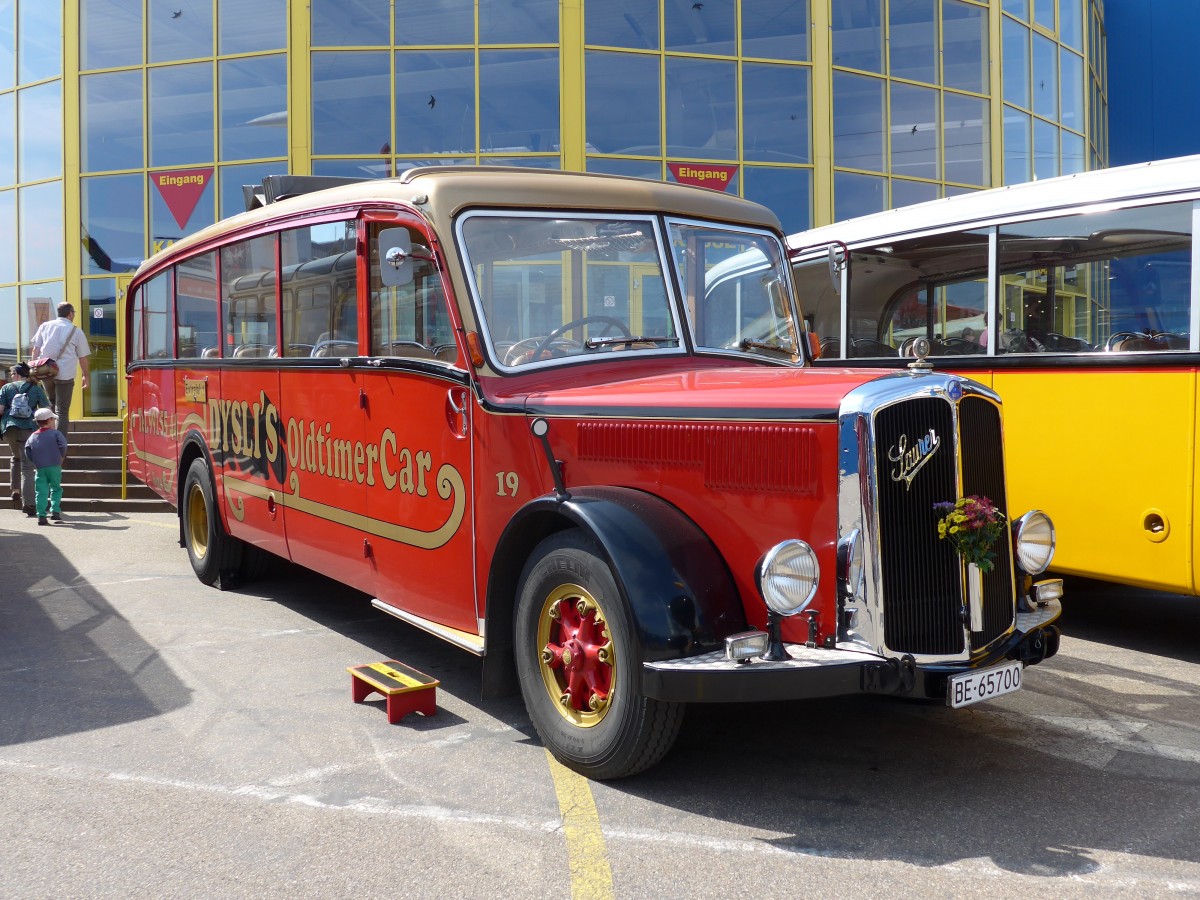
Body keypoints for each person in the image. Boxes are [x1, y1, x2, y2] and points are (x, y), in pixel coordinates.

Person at [30, 301, 92, 436]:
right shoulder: (76, 331)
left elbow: (36, 349)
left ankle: (48, 438)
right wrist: (86, 376)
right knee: (62, 411)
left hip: (46, 372)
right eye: (73, 313)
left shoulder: (44, 326)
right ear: (70, 314)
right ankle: (59, 445)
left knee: (50, 407)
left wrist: (33, 369)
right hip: (65, 375)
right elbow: (82, 357)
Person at [0, 362, 50, 516]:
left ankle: (15, 490)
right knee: (27, 467)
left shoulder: (6, 388)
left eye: (12, 373)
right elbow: (46, 409)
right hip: (28, 429)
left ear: (17, 374)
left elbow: (0, 410)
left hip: (9, 428)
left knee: (16, 458)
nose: (11, 376)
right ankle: (28, 503)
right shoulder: (35, 388)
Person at [24, 407, 68, 525]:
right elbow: (63, 445)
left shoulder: (32, 436)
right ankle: (55, 512)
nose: (54, 421)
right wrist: (61, 457)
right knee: (56, 488)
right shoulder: (56, 433)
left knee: (41, 491)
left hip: (40, 467)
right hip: (55, 465)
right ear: (49, 420)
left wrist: (34, 461)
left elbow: (27, 451)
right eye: (53, 419)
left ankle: (41, 515)